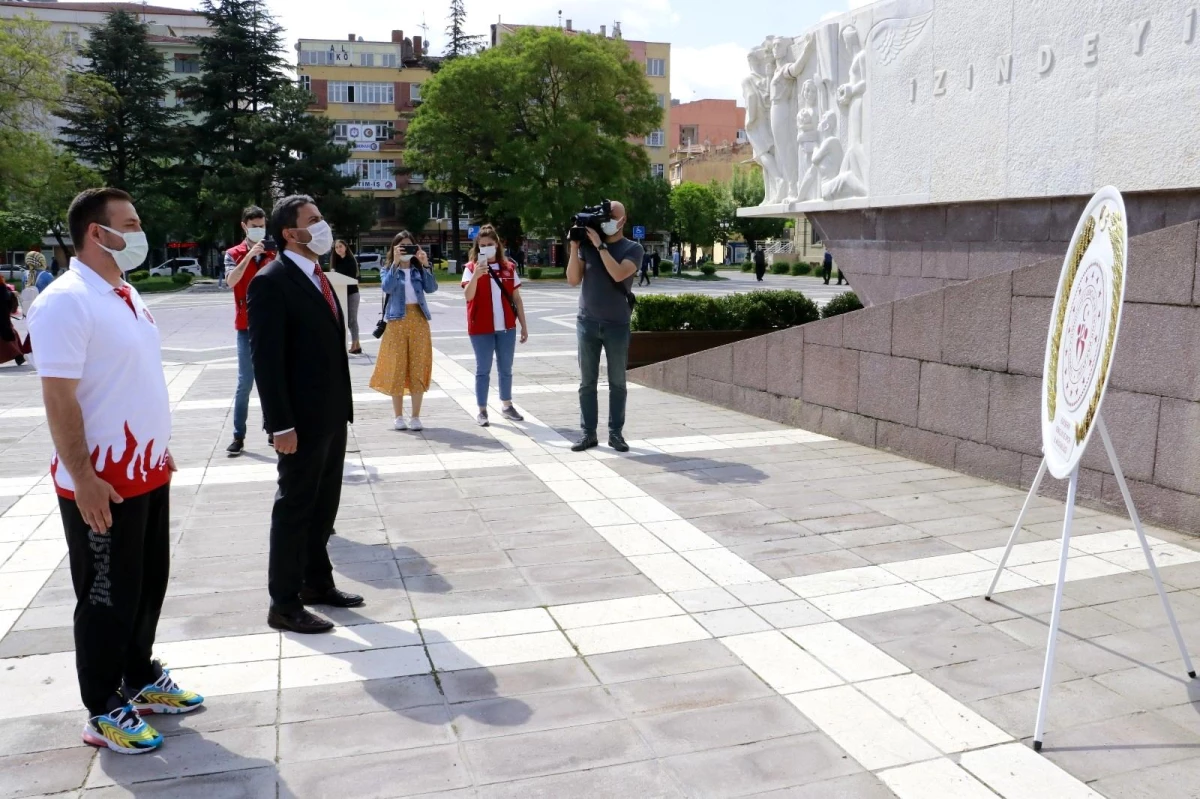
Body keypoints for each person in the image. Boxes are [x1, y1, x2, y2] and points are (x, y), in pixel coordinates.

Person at [27, 188, 203, 755]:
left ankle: (140, 677)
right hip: (101, 481)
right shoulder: (66, 300)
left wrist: (158, 445)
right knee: (106, 596)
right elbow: (59, 398)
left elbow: (130, 380)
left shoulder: (124, 294)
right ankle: (101, 707)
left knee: (148, 583)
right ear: (96, 233)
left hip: (146, 471)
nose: (141, 230)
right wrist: (83, 477)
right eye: (130, 223)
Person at [248, 194, 358, 635]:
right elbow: (266, 361)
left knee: (323, 505)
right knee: (295, 507)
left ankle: (317, 583)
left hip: (330, 414)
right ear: (291, 233)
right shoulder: (271, 281)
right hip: (299, 420)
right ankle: (284, 602)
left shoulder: (319, 276)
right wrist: (281, 424)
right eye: (314, 220)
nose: (324, 225)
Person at [566, 200, 642, 453]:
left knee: (617, 382)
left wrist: (600, 246)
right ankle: (588, 434)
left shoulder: (633, 248)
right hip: (587, 322)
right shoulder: (587, 248)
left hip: (617, 325)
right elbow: (573, 280)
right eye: (605, 216)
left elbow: (619, 274)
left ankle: (615, 434)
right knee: (587, 382)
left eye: (612, 216)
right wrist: (575, 246)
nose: (607, 220)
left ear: (622, 221)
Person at [369, 231, 438, 432]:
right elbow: (387, 286)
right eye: (402, 246)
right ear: (394, 249)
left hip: (418, 320)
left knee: (417, 366)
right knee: (397, 367)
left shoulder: (418, 270)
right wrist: (395, 263)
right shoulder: (388, 269)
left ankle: (416, 416)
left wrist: (425, 264)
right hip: (396, 321)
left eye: (409, 246)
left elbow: (432, 288)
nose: (406, 250)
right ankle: (398, 416)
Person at [462, 224, 528, 427]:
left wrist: (524, 326)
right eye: (482, 245)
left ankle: (507, 405)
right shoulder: (471, 268)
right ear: (477, 246)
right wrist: (476, 275)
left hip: (507, 327)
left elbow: (516, 298)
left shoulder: (509, 267)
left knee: (505, 368)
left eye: (490, 244)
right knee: (483, 369)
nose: (486, 248)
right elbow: (468, 296)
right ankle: (482, 410)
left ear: (497, 244)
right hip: (481, 327)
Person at [223, 206, 276, 457]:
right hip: (246, 327)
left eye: (262, 225)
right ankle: (238, 435)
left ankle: (273, 429)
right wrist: (248, 256)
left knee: (272, 378)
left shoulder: (274, 253)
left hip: (271, 324)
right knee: (246, 382)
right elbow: (231, 281)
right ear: (244, 226)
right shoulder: (232, 254)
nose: (259, 229)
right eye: (254, 226)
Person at [330, 240, 362, 355]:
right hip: (341, 294)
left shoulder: (350, 260)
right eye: (336, 247)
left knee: (352, 320)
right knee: (346, 321)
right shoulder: (336, 262)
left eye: (340, 246)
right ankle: (356, 344)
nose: (338, 249)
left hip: (352, 293)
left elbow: (351, 278)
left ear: (345, 247)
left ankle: (355, 344)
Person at [0, 274, 26, 366]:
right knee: (8, 336)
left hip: (3, 317)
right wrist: (12, 294)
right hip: (2, 317)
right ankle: (18, 356)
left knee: (9, 335)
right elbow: (4, 296)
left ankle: (18, 356)